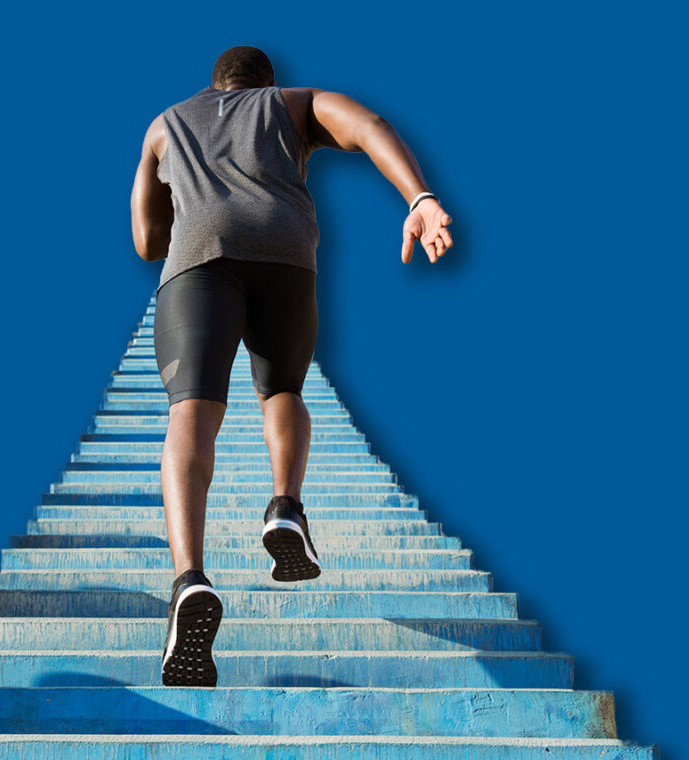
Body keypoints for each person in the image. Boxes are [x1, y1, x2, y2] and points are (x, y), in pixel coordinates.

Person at [129, 45, 454, 687]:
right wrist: (419, 197)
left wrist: (192, 195)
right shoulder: (292, 105)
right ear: (265, 82)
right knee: (282, 391)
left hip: (200, 258)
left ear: (214, 83)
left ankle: (190, 579)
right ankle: (285, 506)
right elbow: (368, 127)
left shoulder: (166, 123)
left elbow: (146, 241)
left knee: (192, 408)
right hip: (285, 252)